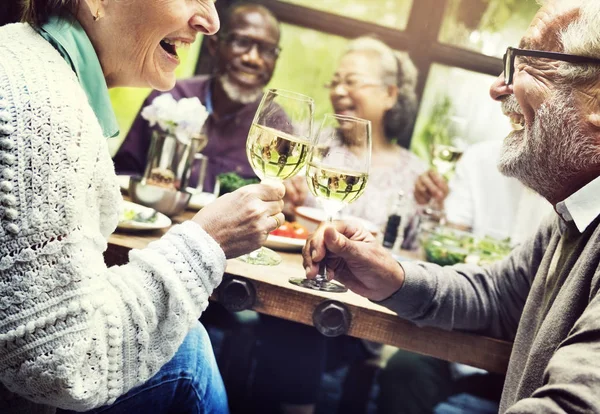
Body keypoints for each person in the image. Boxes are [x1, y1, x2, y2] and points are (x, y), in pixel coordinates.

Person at [302, 1, 600, 413]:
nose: (498, 88)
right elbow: (497, 296)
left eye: (527, 64)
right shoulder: (574, 217)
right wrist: (392, 276)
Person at [0, 1, 286, 413]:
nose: (211, 21)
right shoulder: (46, 109)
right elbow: (64, 365)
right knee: (191, 355)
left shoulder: (24, 55)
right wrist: (206, 240)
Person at [251, 37, 426, 414]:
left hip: (361, 313)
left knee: (298, 321)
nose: (339, 91)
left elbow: (414, 256)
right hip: (298, 287)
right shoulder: (310, 143)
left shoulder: (415, 175)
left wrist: (431, 212)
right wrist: (287, 196)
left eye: (353, 81)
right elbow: (282, 213)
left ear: (390, 93)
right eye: (335, 82)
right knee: (296, 312)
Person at [378, 139, 554, 414]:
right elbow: (448, 247)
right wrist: (435, 210)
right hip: (466, 331)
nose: (503, 94)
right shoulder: (481, 158)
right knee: (405, 369)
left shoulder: (574, 187)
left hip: (537, 357)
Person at [113, 2, 281, 193]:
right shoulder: (169, 99)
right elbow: (120, 175)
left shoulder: (276, 129)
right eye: (241, 42)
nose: (253, 58)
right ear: (214, 45)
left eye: (267, 50)